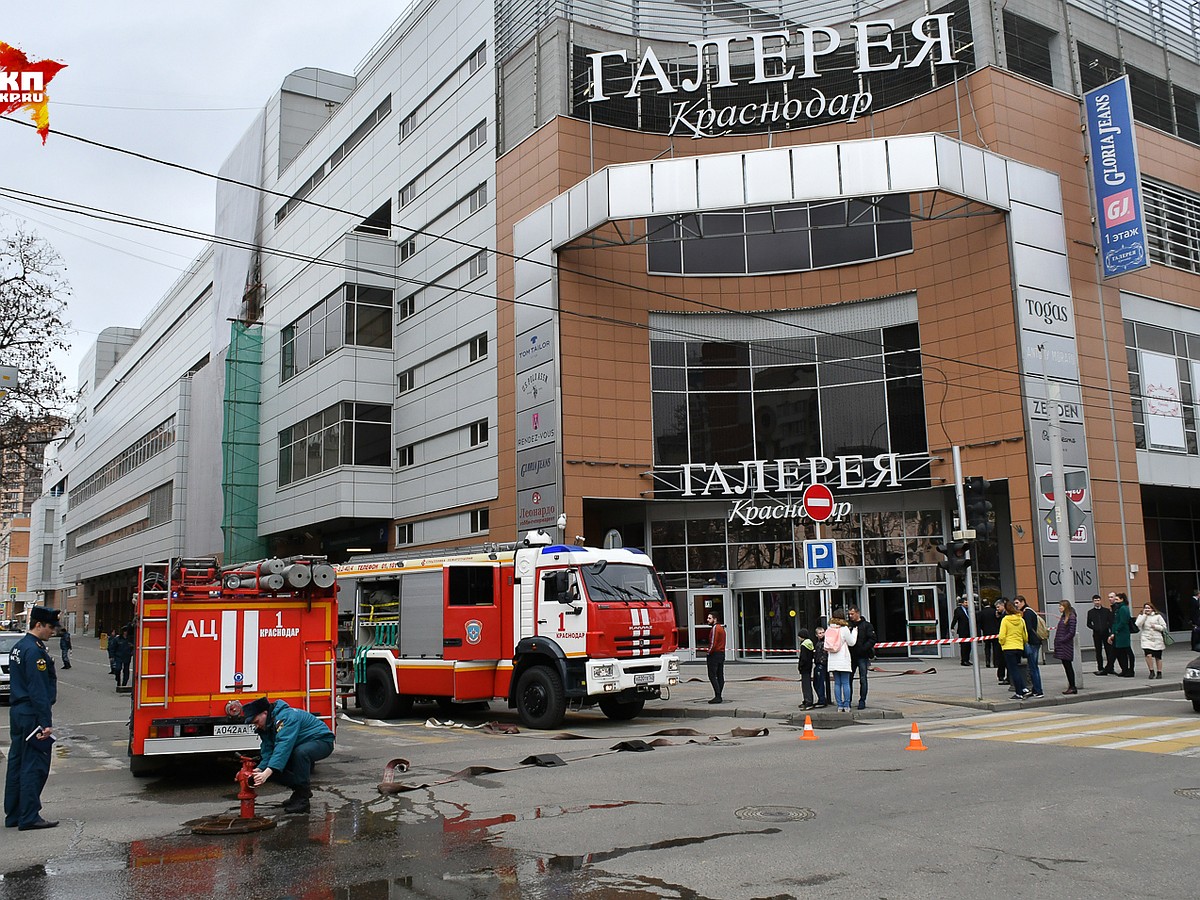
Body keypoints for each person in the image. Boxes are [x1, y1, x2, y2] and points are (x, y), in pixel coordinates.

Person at [4, 606, 60, 831]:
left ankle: (14, 814)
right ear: (38, 625)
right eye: (50, 627)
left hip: (18, 712)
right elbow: (38, 690)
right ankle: (29, 816)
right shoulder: (35, 651)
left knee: (16, 763)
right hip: (31, 714)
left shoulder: (19, 646)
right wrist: (45, 722)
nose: (53, 632)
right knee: (33, 765)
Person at [240, 697, 334, 814]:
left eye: (256, 722)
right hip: (301, 744)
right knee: (273, 769)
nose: (256, 726)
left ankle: (302, 800)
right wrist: (260, 769)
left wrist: (267, 772)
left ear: (265, 713)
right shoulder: (267, 724)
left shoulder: (285, 718)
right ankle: (300, 791)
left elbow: (283, 746)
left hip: (322, 741)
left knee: (300, 753)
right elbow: (268, 750)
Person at [824, 611, 858, 712]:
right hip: (843, 660)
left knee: (837, 684)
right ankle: (846, 705)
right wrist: (854, 632)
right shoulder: (844, 629)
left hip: (833, 660)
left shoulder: (829, 629)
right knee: (846, 683)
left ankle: (839, 705)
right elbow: (851, 643)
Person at [998, 600, 1028, 700]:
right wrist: (1022, 643)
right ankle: (1023, 688)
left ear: (1006, 610)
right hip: (1018, 647)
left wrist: (1002, 643)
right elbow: (1025, 635)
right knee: (1017, 669)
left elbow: (1002, 635)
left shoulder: (1005, 620)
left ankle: (1019, 692)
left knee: (1013, 670)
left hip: (1008, 647)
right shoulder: (1021, 619)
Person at [1014, 595, 1044, 698]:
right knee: (1033, 666)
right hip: (1035, 642)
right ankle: (1036, 689)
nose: (1016, 605)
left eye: (1017, 603)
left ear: (1023, 602)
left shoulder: (1027, 613)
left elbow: (1028, 628)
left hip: (1032, 642)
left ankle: (1038, 690)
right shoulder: (1030, 611)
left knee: (1033, 667)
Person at [846, 605, 874, 710]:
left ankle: (862, 700)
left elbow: (872, 639)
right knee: (848, 679)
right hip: (851, 656)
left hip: (862, 656)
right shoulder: (848, 625)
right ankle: (848, 700)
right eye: (849, 614)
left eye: (852, 614)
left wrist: (863, 648)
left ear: (857, 613)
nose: (850, 616)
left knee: (863, 679)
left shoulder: (866, 626)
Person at [1135, 600, 1168, 680]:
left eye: (1149, 608)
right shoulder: (1142, 615)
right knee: (1148, 655)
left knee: (1158, 657)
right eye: (1145, 608)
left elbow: (1164, 627)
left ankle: (1159, 672)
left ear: (1152, 609)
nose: (1147, 610)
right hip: (1146, 638)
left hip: (1157, 639)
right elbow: (1137, 624)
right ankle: (1151, 671)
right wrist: (1144, 616)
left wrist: (1156, 626)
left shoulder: (1157, 616)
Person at [1053, 600, 1078, 695]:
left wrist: (1062, 640)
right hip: (1062, 644)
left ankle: (1072, 686)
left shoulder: (1071, 617)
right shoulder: (1064, 617)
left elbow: (1072, 632)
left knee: (1068, 666)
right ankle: (1071, 685)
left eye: (1061, 606)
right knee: (1066, 665)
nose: (1059, 608)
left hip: (1065, 645)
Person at [1107, 592, 1135, 677]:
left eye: (1116, 599)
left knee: (1127, 652)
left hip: (1122, 634)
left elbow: (1123, 622)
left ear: (1122, 599)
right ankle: (1125, 670)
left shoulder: (1123, 608)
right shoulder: (1119, 608)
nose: (1115, 601)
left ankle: (1130, 670)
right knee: (1122, 652)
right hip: (1119, 633)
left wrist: (1115, 632)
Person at [1087, 593, 1114, 676]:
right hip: (1096, 634)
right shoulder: (1090, 612)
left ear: (1101, 601)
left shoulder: (1106, 611)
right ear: (1093, 602)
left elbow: (1111, 622)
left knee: (1108, 651)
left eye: (1098, 600)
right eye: (1095, 601)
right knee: (1098, 651)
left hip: (1106, 633)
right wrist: (1095, 628)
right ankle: (1100, 668)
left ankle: (1110, 667)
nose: (1097, 602)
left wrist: (1108, 629)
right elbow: (1088, 623)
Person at [705, 612, 726, 704]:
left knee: (712, 675)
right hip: (721, 653)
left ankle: (718, 696)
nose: (707, 620)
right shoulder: (722, 628)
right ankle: (719, 694)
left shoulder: (715, 628)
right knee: (720, 675)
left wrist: (709, 652)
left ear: (715, 619)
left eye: (710, 618)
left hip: (715, 654)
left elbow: (713, 642)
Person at [797, 628, 815, 710]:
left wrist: (800, 666)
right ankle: (808, 700)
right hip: (809, 666)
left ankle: (808, 701)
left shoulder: (804, 645)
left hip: (804, 668)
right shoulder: (810, 643)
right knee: (807, 684)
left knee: (805, 685)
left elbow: (803, 658)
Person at [951, 597, 972, 665]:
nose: (967, 604)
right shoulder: (958, 610)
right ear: (962, 603)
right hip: (962, 630)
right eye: (966, 602)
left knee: (969, 646)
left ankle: (967, 659)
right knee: (964, 646)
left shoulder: (969, 610)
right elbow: (955, 619)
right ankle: (963, 660)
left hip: (969, 630)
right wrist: (952, 627)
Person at [978, 599, 999, 668]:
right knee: (995, 648)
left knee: (987, 648)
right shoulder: (994, 611)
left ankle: (988, 662)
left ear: (982, 605)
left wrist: (982, 629)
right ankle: (996, 663)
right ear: (989, 603)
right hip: (995, 632)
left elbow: (979, 623)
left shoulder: (981, 613)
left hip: (986, 633)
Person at [812, 625, 829, 708]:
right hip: (818, 663)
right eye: (820, 633)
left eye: (823, 632)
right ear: (816, 635)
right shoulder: (818, 643)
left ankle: (822, 700)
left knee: (819, 682)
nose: (822, 634)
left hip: (821, 664)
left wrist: (822, 662)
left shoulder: (824, 642)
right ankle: (821, 699)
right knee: (816, 682)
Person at [993, 598, 1009, 685]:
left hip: (1005, 641)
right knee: (1001, 659)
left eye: (998, 607)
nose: (997, 609)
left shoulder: (1005, 616)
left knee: (1004, 659)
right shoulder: (1001, 615)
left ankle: (1005, 676)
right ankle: (1001, 675)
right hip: (1004, 641)